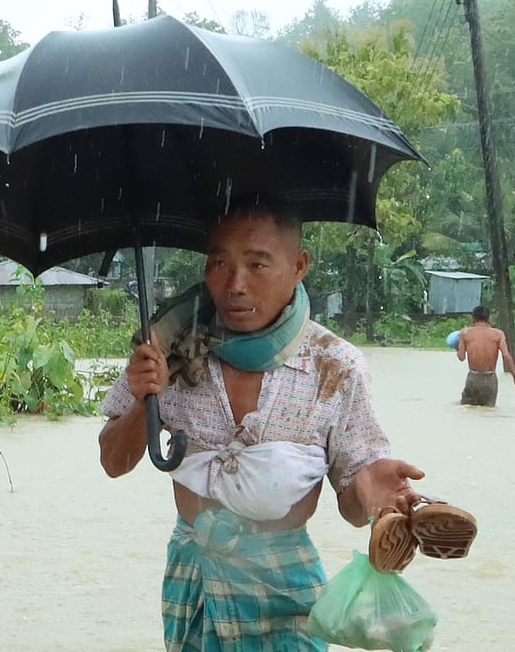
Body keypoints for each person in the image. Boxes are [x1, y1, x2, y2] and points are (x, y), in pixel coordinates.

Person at [97, 195, 463, 651]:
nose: (235, 284)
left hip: (287, 590)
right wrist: (141, 399)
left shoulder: (334, 365)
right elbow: (114, 461)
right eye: (219, 263)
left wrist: (372, 491)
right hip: (195, 581)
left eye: (257, 264)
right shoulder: (168, 348)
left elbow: (351, 509)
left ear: (299, 266)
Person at [455, 305, 515, 406]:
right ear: (489, 318)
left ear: (473, 318)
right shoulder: (498, 334)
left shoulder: (465, 333)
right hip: (490, 379)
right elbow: (506, 356)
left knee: (467, 409)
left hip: (473, 377)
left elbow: (461, 357)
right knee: (489, 411)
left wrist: (458, 346)